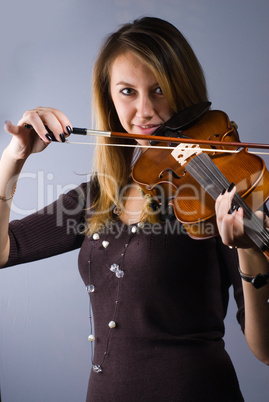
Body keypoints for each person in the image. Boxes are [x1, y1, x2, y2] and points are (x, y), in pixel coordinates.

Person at [0, 16, 269, 402]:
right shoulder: (101, 194)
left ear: (184, 91)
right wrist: (15, 156)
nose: (145, 110)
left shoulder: (219, 192)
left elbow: (265, 350)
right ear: (109, 97)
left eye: (159, 90)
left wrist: (249, 248)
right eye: (127, 91)